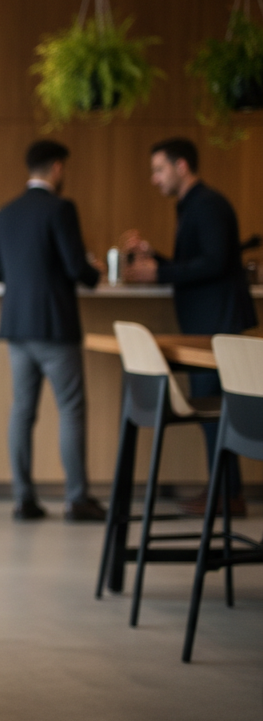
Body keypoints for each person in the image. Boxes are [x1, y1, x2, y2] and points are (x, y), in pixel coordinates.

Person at [122, 137, 257, 517]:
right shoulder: (193, 205)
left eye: (159, 169)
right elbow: (200, 263)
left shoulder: (208, 204)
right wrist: (157, 261)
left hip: (216, 327)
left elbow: (215, 262)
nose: (154, 179)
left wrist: (160, 271)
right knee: (215, 412)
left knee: (216, 411)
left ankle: (226, 496)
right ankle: (225, 493)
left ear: (182, 166)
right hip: (207, 324)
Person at [0, 140, 107, 523]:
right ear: (58, 168)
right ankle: (77, 499)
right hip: (55, 326)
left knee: (23, 411)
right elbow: (78, 270)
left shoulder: (5, 214)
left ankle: (23, 499)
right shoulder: (61, 208)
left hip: (17, 327)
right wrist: (96, 272)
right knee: (70, 409)